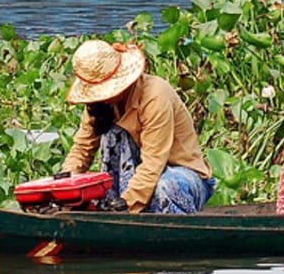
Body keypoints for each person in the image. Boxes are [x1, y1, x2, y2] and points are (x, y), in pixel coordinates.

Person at [61, 39, 215, 213]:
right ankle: (117, 206)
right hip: (134, 180)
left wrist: (127, 203)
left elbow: (153, 162)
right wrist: (64, 186)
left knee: (165, 187)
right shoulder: (97, 105)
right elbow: (82, 148)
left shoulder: (155, 97)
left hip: (183, 177)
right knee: (110, 136)